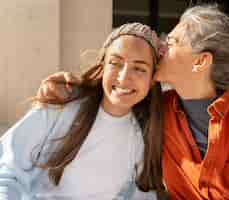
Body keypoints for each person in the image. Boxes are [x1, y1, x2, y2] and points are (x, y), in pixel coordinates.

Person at [36, 5, 229, 200]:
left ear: (200, 61)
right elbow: (111, 94)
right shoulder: (155, 110)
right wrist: (74, 86)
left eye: (171, 42)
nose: (160, 47)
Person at [0, 22, 166, 199]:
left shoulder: (141, 138)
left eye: (139, 68)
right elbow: (8, 169)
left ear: (152, 79)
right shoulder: (62, 105)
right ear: (102, 66)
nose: (124, 78)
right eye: (115, 63)